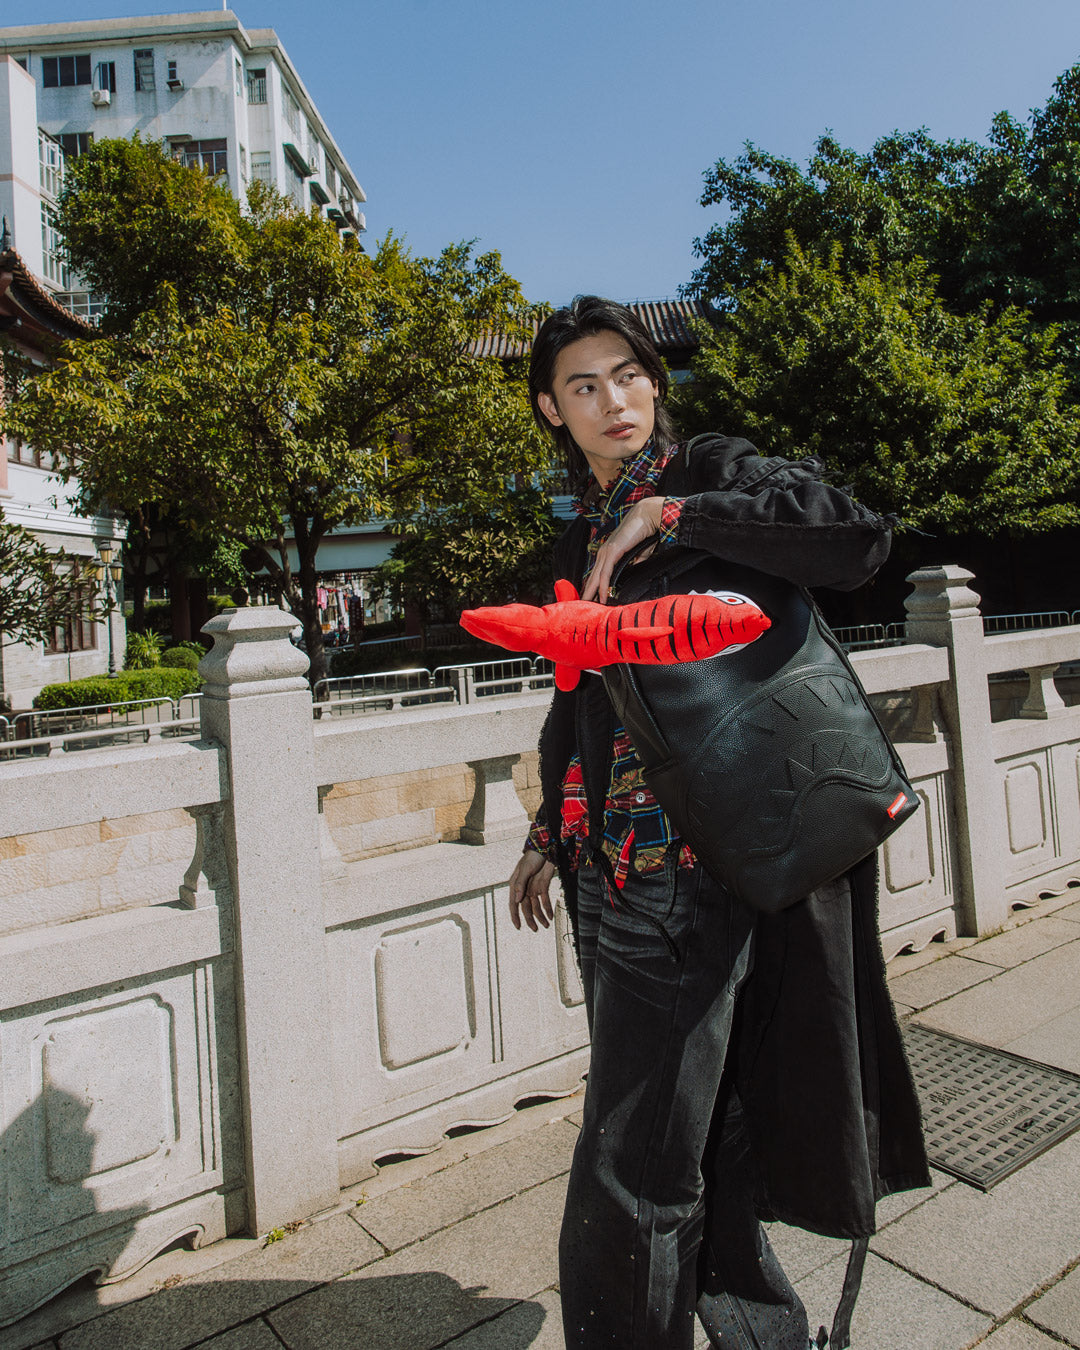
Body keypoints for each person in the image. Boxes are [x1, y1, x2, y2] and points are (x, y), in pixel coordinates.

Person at [509, 296, 929, 1350]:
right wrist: (548, 830)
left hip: (718, 857)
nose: (614, 399)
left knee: (630, 1162)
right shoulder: (579, 533)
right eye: (583, 385)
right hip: (619, 864)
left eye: (628, 375)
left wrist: (676, 517)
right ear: (552, 411)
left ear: (655, 383)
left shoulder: (712, 472)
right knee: (697, 1128)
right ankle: (764, 1333)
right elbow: (580, 698)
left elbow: (856, 540)